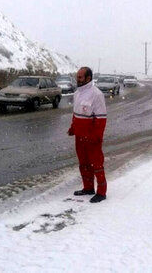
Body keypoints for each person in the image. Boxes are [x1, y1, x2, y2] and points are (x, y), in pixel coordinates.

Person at [67, 67, 107, 203]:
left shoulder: (97, 95)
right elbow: (76, 114)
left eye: (80, 77)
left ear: (88, 78)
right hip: (80, 136)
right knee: (83, 163)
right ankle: (88, 188)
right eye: (77, 76)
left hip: (92, 138)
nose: (77, 79)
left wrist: (96, 137)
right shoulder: (77, 94)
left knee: (96, 164)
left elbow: (101, 119)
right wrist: (73, 128)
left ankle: (101, 192)